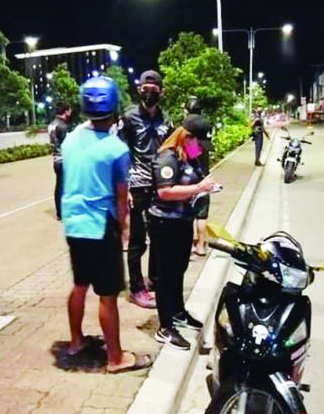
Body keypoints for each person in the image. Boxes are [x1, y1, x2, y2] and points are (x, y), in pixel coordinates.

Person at [61, 76, 151, 374]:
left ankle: (75, 342)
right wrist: (125, 231)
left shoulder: (71, 137)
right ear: (114, 107)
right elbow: (122, 197)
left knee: (79, 284)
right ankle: (115, 358)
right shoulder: (116, 148)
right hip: (101, 226)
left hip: (74, 224)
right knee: (108, 294)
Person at [149, 116, 216, 350]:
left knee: (179, 270)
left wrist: (205, 187)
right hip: (165, 222)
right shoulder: (167, 157)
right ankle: (165, 327)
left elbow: (194, 180)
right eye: (198, 143)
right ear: (187, 137)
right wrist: (199, 188)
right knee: (166, 276)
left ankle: (178, 312)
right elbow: (164, 192)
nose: (200, 149)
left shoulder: (189, 155)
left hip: (182, 221)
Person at [120, 70, 173, 309]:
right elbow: (120, 153)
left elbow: (174, 148)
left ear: (162, 92)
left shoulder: (166, 119)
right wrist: (125, 187)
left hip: (161, 185)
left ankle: (153, 280)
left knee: (160, 237)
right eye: (145, 89)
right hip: (137, 185)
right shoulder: (129, 117)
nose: (149, 93)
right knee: (137, 241)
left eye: (154, 90)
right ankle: (136, 288)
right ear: (139, 89)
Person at [182, 97, 212, 257]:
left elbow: (189, 151)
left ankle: (187, 247)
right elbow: (207, 148)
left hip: (189, 177)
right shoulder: (207, 124)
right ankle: (201, 246)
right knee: (202, 214)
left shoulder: (186, 124)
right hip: (205, 175)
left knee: (187, 214)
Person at [49, 104, 72, 220]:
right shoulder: (62, 125)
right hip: (64, 159)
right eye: (70, 110)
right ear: (66, 111)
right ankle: (63, 212)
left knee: (59, 186)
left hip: (56, 159)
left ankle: (59, 212)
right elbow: (68, 144)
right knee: (65, 187)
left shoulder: (52, 124)